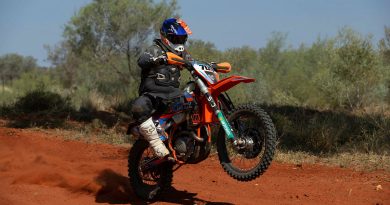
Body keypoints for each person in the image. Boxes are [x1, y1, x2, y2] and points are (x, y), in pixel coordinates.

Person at [131, 18, 192, 158]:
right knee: (138, 107)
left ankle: (186, 138)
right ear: (165, 36)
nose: (179, 41)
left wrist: (208, 66)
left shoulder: (183, 54)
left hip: (174, 95)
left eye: (182, 38)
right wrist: (160, 58)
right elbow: (142, 60)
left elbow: (193, 63)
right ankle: (157, 144)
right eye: (175, 38)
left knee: (192, 100)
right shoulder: (155, 49)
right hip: (153, 95)